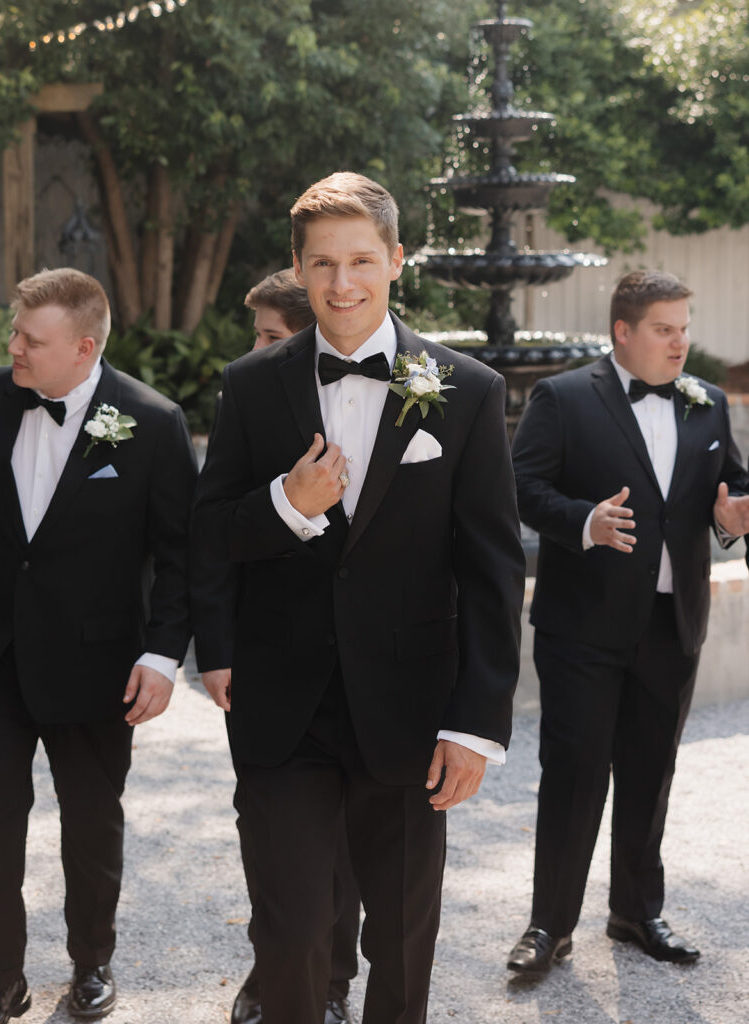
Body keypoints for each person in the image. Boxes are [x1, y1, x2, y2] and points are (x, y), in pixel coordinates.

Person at [190, 171, 525, 1024]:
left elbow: (491, 569)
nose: (343, 284)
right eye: (323, 264)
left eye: (361, 261)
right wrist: (281, 508)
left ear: (397, 261)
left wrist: (474, 724)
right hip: (283, 707)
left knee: (404, 940)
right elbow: (208, 535)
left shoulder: (470, 390)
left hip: (412, 711)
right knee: (294, 929)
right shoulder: (252, 383)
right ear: (298, 271)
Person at [0, 268, 198, 1024]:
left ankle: (91, 963)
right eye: (15, 332)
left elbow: (181, 555)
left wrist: (159, 656)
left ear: (84, 347)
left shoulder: (153, 420)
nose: (12, 346)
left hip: (95, 662)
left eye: (29, 339)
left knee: (90, 820)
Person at [507, 270, 749, 975]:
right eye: (664, 329)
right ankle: (547, 926)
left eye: (683, 327)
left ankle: (636, 912)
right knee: (574, 776)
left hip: (672, 625)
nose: (681, 342)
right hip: (581, 627)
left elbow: (729, 484)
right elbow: (520, 487)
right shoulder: (563, 397)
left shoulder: (704, 405)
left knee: (650, 773)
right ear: (622, 332)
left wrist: (730, 515)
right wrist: (581, 521)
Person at [195, 268, 361, 1024]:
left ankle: (329, 983)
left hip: (363, 669)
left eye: (268, 336)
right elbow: (214, 537)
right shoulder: (250, 403)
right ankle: (277, 974)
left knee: (348, 847)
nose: (255, 349)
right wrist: (216, 648)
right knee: (271, 839)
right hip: (269, 665)